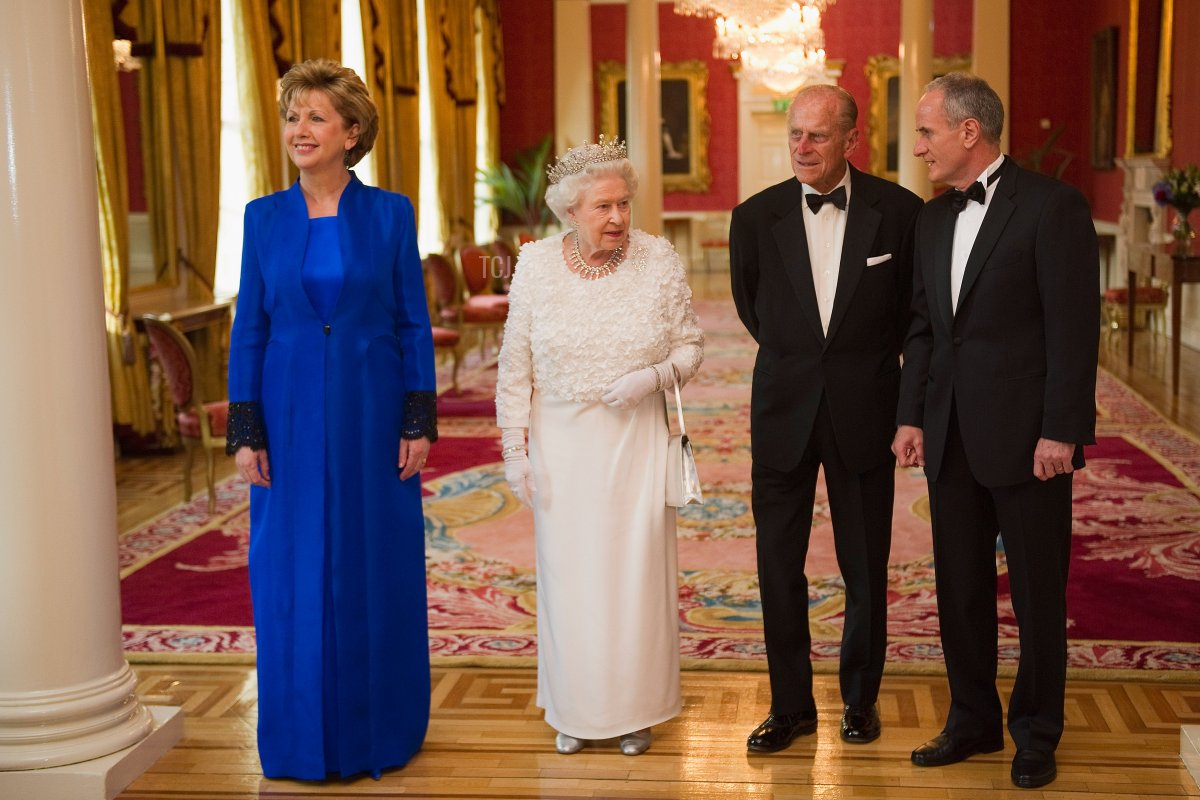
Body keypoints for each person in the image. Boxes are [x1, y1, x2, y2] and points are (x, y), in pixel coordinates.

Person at [226, 59, 437, 781]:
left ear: (352, 132)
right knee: (287, 569)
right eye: (292, 116)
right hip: (284, 418)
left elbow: (413, 321)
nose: (299, 130)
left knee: (374, 561)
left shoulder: (390, 213)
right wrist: (246, 429)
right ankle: (297, 738)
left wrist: (418, 417)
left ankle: (382, 731)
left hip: (373, 412)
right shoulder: (262, 217)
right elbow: (249, 327)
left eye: (316, 117)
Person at [892, 72, 1099, 790]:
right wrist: (911, 414)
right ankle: (972, 720)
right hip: (950, 435)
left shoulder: (1052, 207)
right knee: (960, 589)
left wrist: (1062, 431)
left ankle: (1038, 730)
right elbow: (924, 328)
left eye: (926, 132)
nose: (918, 146)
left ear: (968, 132)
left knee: (1040, 593)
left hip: (1029, 441)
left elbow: (1074, 332)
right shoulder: (932, 218)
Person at [495, 137, 704, 757]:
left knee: (635, 576)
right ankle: (575, 709)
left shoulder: (659, 258)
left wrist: (655, 377)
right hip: (562, 442)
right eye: (602, 207)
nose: (617, 218)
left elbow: (690, 347)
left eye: (623, 205)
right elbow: (515, 365)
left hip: (635, 440)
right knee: (570, 579)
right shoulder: (533, 264)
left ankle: (636, 710)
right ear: (570, 210)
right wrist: (514, 448)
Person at [729, 84, 922, 753]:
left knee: (864, 566)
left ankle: (860, 701)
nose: (802, 148)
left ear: (850, 138)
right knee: (777, 566)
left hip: (865, 409)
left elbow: (911, 318)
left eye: (816, 135)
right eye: (794, 135)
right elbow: (755, 311)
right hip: (782, 410)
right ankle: (790, 708)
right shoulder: (753, 219)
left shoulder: (899, 213)